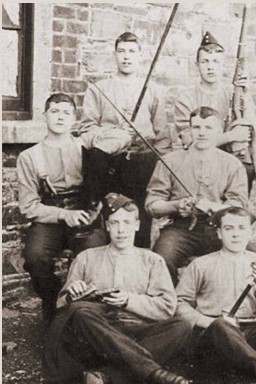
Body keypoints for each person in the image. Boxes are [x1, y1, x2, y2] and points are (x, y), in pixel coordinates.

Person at [43, 193, 191, 384]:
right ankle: (154, 374)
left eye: (127, 223)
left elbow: (166, 307)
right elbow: (62, 305)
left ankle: (106, 376)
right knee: (79, 312)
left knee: (182, 326)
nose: (121, 230)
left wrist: (129, 300)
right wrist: (72, 293)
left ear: (137, 225)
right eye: (115, 223)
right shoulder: (87, 257)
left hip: (136, 330)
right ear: (107, 226)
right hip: (96, 334)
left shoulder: (152, 261)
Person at [176, 206, 256, 384]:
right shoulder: (201, 265)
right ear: (219, 233)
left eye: (241, 228)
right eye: (229, 228)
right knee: (221, 325)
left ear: (250, 233)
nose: (235, 234)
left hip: (249, 334)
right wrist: (210, 322)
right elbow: (179, 304)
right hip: (213, 336)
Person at [17, 93, 108, 325]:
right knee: (34, 258)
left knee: (95, 254)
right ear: (44, 115)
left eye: (66, 112)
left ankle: (85, 315)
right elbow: (28, 207)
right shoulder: (29, 156)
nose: (60, 117)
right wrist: (63, 215)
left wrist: (92, 211)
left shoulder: (87, 149)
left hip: (85, 215)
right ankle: (53, 299)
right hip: (50, 218)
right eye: (55, 111)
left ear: (74, 118)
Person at [79, 31, 171, 248]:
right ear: (115, 55)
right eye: (121, 51)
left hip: (143, 163)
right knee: (112, 221)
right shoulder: (99, 89)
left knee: (140, 222)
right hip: (110, 164)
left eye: (132, 51)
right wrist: (115, 136)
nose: (126, 57)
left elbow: (162, 137)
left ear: (140, 55)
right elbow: (87, 130)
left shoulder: (152, 90)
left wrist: (162, 172)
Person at [146, 106, 248, 285]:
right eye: (197, 127)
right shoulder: (170, 161)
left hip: (220, 229)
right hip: (181, 229)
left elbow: (239, 206)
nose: (202, 133)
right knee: (161, 258)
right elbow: (152, 205)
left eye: (208, 128)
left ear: (219, 131)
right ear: (189, 130)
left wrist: (212, 206)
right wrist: (176, 205)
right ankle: (169, 306)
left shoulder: (232, 164)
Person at [174, 31, 256, 192]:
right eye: (205, 61)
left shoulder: (234, 93)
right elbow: (191, 142)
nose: (210, 67)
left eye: (216, 61)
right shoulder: (185, 100)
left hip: (235, 166)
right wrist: (230, 136)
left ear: (223, 65)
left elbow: (252, 131)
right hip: (201, 168)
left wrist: (245, 94)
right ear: (197, 65)